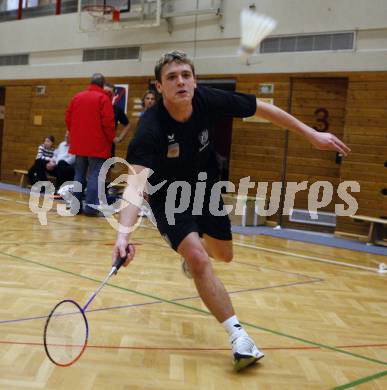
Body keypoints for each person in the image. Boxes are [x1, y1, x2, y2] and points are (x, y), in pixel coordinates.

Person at [112, 51, 350, 371]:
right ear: (159, 86)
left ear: (194, 80)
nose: (180, 81)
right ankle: (239, 337)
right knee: (198, 257)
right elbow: (135, 185)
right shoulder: (149, 129)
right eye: (171, 77)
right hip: (167, 196)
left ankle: (192, 254)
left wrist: (311, 134)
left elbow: (264, 108)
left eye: (185, 74)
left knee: (223, 255)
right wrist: (123, 235)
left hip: (206, 185)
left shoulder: (208, 100)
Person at [65, 73, 115, 216]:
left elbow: (68, 118)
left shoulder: (77, 97)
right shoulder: (103, 98)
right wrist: (111, 138)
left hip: (79, 144)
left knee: (79, 174)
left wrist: (75, 134)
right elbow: (108, 123)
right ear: (102, 84)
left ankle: (75, 207)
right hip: (97, 145)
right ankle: (91, 208)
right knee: (95, 175)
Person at [104, 83, 131, 156]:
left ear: (113, 95)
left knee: (107, 167)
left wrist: (120, 138)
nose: (106, 95)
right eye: (104, 92)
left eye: (109, 93)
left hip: (109, 148)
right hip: (94, 147)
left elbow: (127, 124)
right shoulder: (95, 108)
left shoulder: (117, 110)